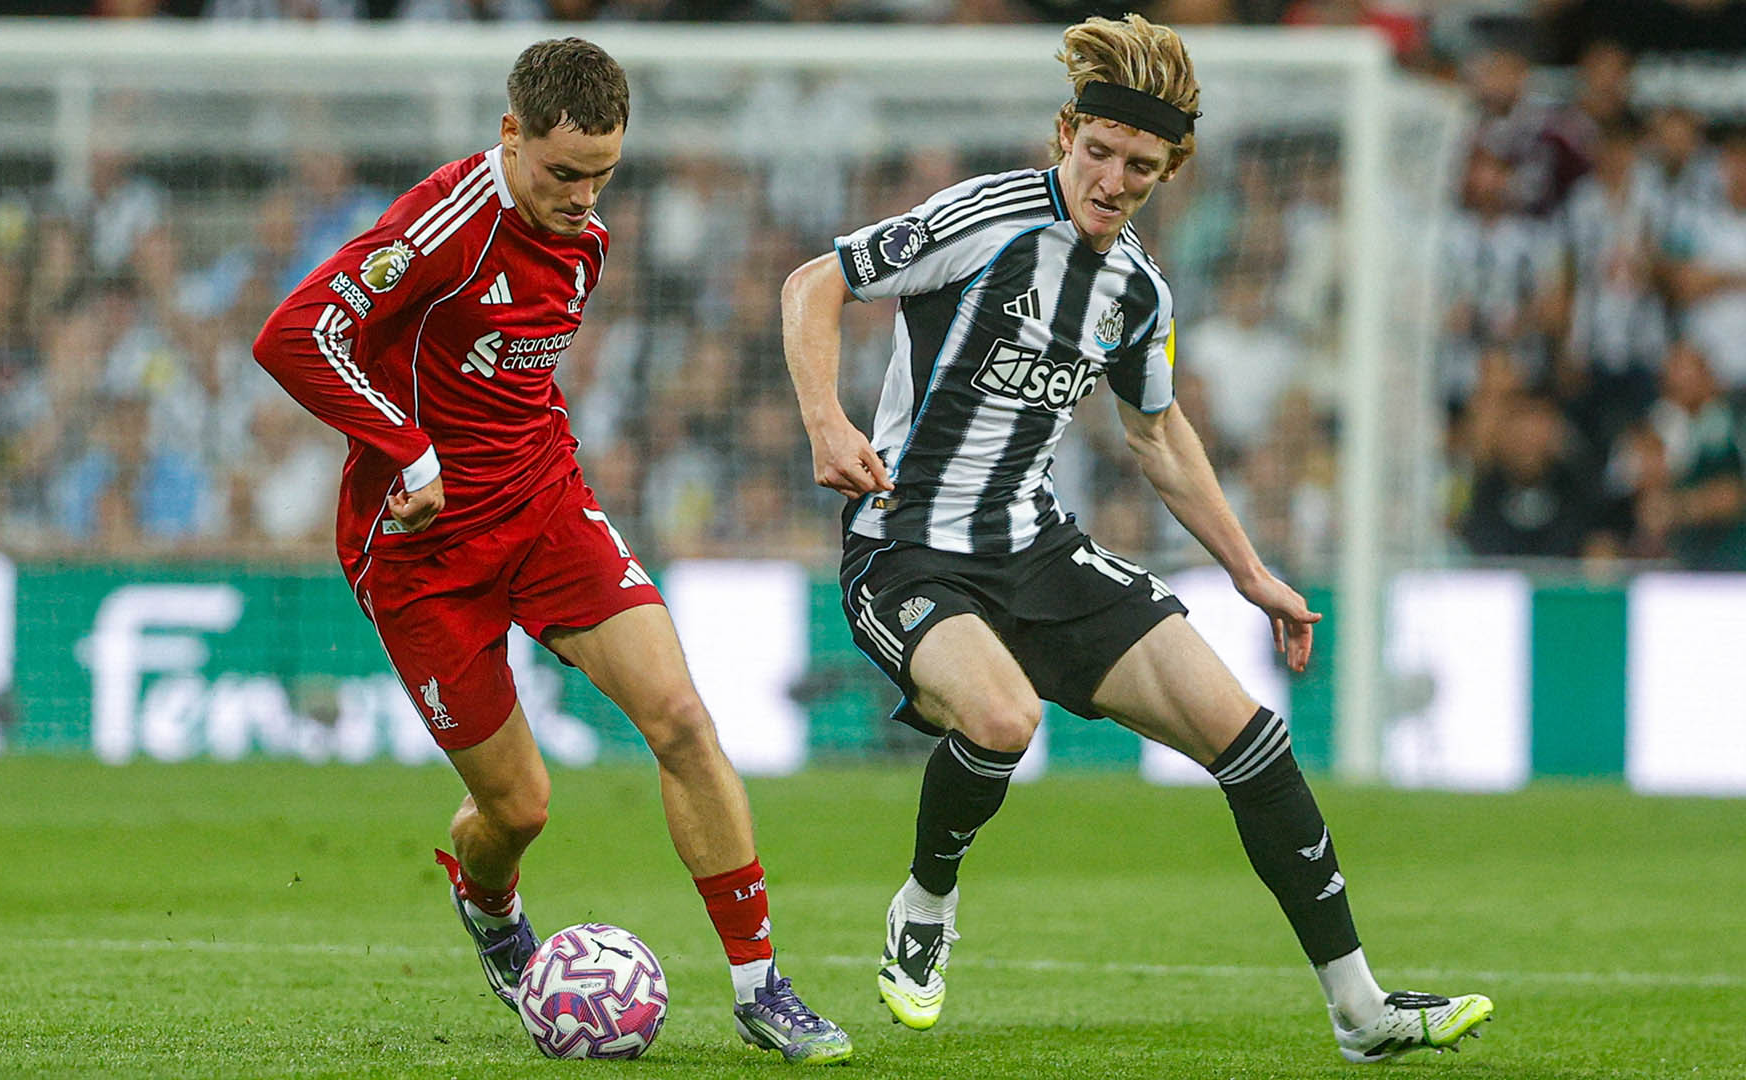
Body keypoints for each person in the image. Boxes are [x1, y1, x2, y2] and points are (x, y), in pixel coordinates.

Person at [778, 14, 1493, 1063]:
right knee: (1003, 717)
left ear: (1169, 172)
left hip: (1036, 548)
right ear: (1067, 133)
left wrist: (1252, 573)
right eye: (1101, 152)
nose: (1113, 181)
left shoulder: (1139, 291)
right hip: (907, 543)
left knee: (1250, 737)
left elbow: (1157, 436)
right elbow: (814, 282)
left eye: (1141, 168)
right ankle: (926, 904)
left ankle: (1362, 1010)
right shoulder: (987, 218)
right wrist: (826, 423)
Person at [251, 38, 851, 1065]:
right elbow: (293, 336)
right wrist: (406, 447)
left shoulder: (587, 240)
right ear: (510, 134)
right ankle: (489, 905)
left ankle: (762, 986)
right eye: (564, 172)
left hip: (543, 510)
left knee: (681, 718)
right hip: (423, 554)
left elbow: (512, 381)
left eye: (602, 174)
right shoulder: (445, 225)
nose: (582, 197)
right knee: (518, 808)